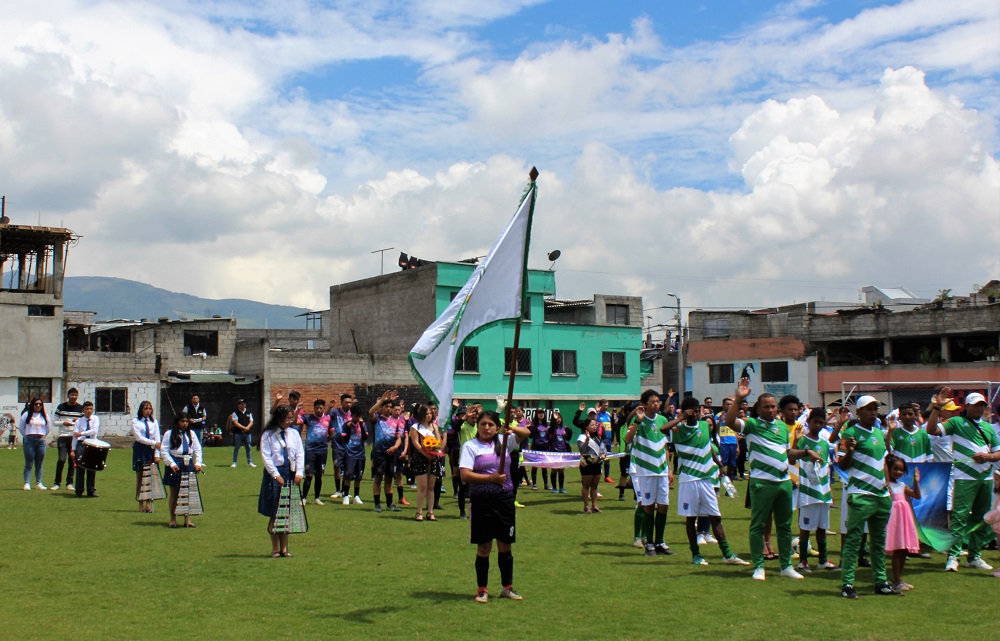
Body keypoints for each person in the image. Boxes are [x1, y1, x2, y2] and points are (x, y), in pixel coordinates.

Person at [725, 378, 821, 581]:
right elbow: (729, 422)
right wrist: (738, 399)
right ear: (758, 409)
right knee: (758, 525)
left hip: (784, 482)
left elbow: (788, 453)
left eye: (773, 407)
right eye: (766, 407)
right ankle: (759, 566)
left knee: (785, 526)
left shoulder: (781, 427)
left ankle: (786, 565)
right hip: (762, 482)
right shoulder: (751, 424)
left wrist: (806, 452)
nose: (771, 410)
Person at [668, 396, 749, 566]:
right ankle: (695, 555)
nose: (696, 415)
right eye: (693, 412)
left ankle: (727, 554)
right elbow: (662, 429)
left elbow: (708, 445)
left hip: (706, 479)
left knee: (716, 516)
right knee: (691, 518)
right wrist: (681, 417)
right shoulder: (678, 429)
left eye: (698, 411)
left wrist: (719, 464)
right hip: (688, 479)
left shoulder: (705, 425)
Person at [925, 389, 1000, 572]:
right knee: (960, 516)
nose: (979, 408)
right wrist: (937, 408)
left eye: (982, 405)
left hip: (986, 477)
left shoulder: (988, 427)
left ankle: (975, 555)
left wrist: (988, 457)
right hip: (964, 477)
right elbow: (932, 430)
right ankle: (953, 556)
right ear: (967, 406)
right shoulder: (957, 422)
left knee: (982, 518)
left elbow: (998, 452)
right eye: (975, 405)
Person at [460, 409, 530, 602]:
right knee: (484, 547)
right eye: (483, 424)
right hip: (482, 502)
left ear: (497, 427)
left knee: (505, 546)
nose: (486, 428)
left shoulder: (504, 442)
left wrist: (510, 429)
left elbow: (525, 434)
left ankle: (507, 587)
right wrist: (490, 478)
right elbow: (465, 475)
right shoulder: (470, 446)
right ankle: (482, 589)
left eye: (491, 425)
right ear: (478, 426)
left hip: (504, 501)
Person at [838, 395, 898, 599]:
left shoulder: (879, 433)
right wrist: (850, 451)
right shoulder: (850, 433)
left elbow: (883, 461)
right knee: (853, 540)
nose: (874, 412)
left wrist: (888, 487)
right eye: (869, 409)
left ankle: (880, 582)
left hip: (881, 495)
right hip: (861, 494)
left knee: (879, 541)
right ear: (859, 412)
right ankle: (847, 583)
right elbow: (842, 465)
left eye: (875, 409)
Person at [625, 389, 676, 557]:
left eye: (657, 401)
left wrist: (669, 469)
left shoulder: (662, 419)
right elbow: (628, 439)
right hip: (645, 471)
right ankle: (649, 544)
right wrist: (638, 422)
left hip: (661, 470)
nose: (656, 404)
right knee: (648, 506)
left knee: (663, 505)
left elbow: (665, 446)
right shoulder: (638, 420)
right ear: (644, 404)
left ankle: (660, 542)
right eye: (653, 402)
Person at [258, 405, 304, 557]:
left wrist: (299, 472)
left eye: (291, 418)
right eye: (286, 419)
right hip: (275, 475)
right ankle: (274, 549)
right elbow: (266, 457)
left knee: (285, 513)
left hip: (290, 473)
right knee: (274, 512)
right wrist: (275, 474)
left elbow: (299, 453)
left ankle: (285, 548)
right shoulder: (268, 435)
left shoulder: (294, 434)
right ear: (278, 419)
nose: (289, 422)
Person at [796, 408, 838, 573]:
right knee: (805, 528)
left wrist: (830, 491)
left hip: (823, 491)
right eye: (816, 422)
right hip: (808, 492)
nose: (818, 425)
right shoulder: (802, 441)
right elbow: (791, 455)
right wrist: (796, 442)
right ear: (809, 422)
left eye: (822, 422)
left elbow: (825, 469)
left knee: (822, 527)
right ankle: (803, 561)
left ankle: (822, 560)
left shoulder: (823, 443)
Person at [161, 413, 204, 528]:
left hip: (188, 462)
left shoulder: (191, 434)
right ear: (177, 422)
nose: (185, 424)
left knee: (188, 493)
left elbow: (198, 449)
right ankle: (173, 519)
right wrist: (172, 464)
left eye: (186, 422)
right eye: (182, 421)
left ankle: (187, 519)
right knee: (174, 493)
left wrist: (198, 463)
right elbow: (164, 451)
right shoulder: (169, 434)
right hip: (175, 462)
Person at [885, 456, 921, 591]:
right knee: (898, 549)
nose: (899, 472)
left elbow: (917, 495)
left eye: (901, 470)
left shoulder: (901, 485)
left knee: (904, 550)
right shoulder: (887, 485)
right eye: (895, 469)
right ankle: (895, 580)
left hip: (904, 518)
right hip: (894, 519)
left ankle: (898, 579)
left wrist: (916, 482)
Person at [409, 404, 445, 521]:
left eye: (430, 413)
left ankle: (430, 511)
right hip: (421, 458)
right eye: (426, 413)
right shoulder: (415, 427)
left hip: (433, 458)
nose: (429, 416)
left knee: (431, 486)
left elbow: (438, 442)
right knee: (422, 487)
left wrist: (435, 451)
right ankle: (419, 512)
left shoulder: (434, 427)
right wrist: (426, 454)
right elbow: (416, 443)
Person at [369, 391, 402, 513]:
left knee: (389, 479)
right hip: (379, 453)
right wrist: (381, 400)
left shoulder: (395, 421)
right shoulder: (377, 419)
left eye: (390, 407)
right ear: (381, 408)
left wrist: (395, 447)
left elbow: (399, 438)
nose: (389, 409)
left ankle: (390, 504)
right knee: (378, 478)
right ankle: (377, 504)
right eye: (386, 407)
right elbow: (370, 412)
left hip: (391, 453)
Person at [132, 400, 161, 513]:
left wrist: (157, 454)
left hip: (151, 451)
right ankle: (140, 502)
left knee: (150, 477)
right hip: (140, 449)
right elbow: (139, 438)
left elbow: (157, 438)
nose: (148, 411)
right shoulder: (136, 421)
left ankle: (149, 502)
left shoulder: (154, 422)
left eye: (149, 409)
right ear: (141, 410)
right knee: (140, 477)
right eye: (145, 409)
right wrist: (154, 443)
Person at [52, 388, 83, 491]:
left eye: (75, 395)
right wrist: (63, 423)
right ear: (68, 396)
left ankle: (69, 483)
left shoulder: (80, 408)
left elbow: (83, 423)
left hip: (74, 437)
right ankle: (57, 483)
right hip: (63, 437)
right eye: (72, 395)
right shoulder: (61, 407)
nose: (74, 397)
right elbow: (54, 422)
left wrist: (78, 421)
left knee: (72, 461)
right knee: (61, 459)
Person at [301, 399, 331, 506]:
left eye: (321, 408)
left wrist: (328, 438)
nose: (319, 410)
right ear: (314, 408)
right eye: (317, 408)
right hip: (310, 450)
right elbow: (296, 421)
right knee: (309, 475)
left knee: (319, 475)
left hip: (322, 450)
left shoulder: (328, 418)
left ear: (323, 408)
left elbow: (331, 432)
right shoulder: (308, 418)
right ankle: (303, 498)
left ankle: (317, 498)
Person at [18, 398, 50, 490]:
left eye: (40, 404)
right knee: (29, 463)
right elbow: (21, 427)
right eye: (36, 404)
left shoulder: (44, 415)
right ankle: (27, 483)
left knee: (39, 463)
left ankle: (39, 482)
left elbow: (48, 428)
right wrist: (27, 436)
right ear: (32, 405)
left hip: (40, 440)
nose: (38, 406)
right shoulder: (26, 414)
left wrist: (43, 437)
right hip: (30, 440)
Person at [339, 410, 368, 505]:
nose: (357, 418)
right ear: (352, 416)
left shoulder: (363, 424)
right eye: (355, 416)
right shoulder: (346, 425)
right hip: (350, 453)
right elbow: (344, 438)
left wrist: (362, 426)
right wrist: (348, 429)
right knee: (348, 475)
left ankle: (356, 496)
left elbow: (365, 437)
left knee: (358, 476)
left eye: (358, 416)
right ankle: (346, 495)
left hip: (360, 454)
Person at [72, 401, 100, 497]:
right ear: (83, 410)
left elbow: (94, 431)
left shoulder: (95, 419)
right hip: (82, 444)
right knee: (80, 467)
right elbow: (75, 436)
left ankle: (91, 490)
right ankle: (79, 490)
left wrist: (81, 433)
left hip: (92, 444)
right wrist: (73, 449)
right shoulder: (79, 421)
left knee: (92, 467)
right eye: (87, 409)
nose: (89, 411)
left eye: (90, 409)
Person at [328, 394, 353, 499]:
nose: (348, 404)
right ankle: (338, 490)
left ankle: (344, 490)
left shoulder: (352, 414)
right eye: (346, 402)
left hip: (349, 445)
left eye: (350, 403)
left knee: (347, 468)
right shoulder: (335, 412)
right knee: (337, 467)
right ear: (341, 402)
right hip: (337, 444)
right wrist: (329, 407)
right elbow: (325, 418)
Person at [577, 418, 605, 513]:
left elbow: (602, 449)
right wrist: (587, 439)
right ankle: (586, 506)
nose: (594, 426)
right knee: (586, 485)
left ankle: (594, 505)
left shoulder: (597, 437)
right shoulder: (582, 437)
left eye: (595, 425)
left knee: (595, 486)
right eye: (592, 425)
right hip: (587, 464)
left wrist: (603, 454)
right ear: (586, 427)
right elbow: (582, 450)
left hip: (597, 463)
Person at [716, 397, 739, 481]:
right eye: (727, 404)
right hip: (723, 443)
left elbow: (735, 432)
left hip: (733, 443)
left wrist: (737, 446)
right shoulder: (718, 416)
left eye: (731, 404)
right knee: (722, 463)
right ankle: (717, 483)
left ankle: (730, 482)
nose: (729, 406)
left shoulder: (733, 416)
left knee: (732, 464)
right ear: (723, 405)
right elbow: (715, 430)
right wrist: (719, 421)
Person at [548, 411, 571, 494]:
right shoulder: (552, 428)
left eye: (559, 418)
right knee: (554, 470)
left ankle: (561, 488)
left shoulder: (564, 428)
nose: (558, 420)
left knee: (561, 470)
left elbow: (568, 438)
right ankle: (554, 488)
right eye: (557, 419)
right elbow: (550, 429)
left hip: (563, 452)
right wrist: (553, 419)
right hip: (554, 452)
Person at [230, 399, 256, 468]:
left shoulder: (248, 412)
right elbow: (235, 423)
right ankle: (234, 462)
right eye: (241, 404)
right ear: (238, 405)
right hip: (238, 433)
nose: (243, 405)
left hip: (247, 433)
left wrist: (247, 428)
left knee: (248, 447)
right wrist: (244, 428)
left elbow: (251, 421)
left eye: (244, 404)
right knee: (237, 448)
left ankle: (250, 462)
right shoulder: (235, 413)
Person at [596, 400, 615, 483]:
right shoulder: (597, 415)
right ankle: (597, 474)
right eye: (604, 405)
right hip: (601, 440)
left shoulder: (608, 415)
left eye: (607, 405)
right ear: (600, 406)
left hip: (608, 439)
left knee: (608, 457)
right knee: (599, 457)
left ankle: (607, 476)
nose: (606, 407)